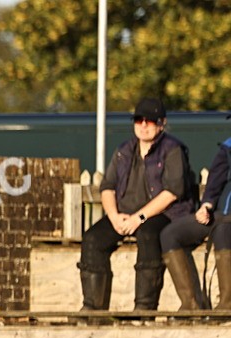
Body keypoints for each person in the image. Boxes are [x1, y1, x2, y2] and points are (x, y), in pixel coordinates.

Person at [78, 97, 196, 311]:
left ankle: (144, 309)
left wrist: (139, 217)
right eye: (139, 120)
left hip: (164, 214)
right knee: (92, 239)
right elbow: (108, 186)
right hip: (124, 214)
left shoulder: (173, 150)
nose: (143, 125)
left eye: (149, 121)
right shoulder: (124, 150)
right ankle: (92, 308)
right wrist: (113, 216)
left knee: (149, 235)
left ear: (162, 123)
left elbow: (172, 192)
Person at [160, 119, 231, 310]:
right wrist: (206, 205)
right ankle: (190, 304)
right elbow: (215, 185)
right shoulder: (227, 150)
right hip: (219, 215)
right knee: (170, 234)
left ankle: (227, 303)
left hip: (226, 223)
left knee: (224, 231)